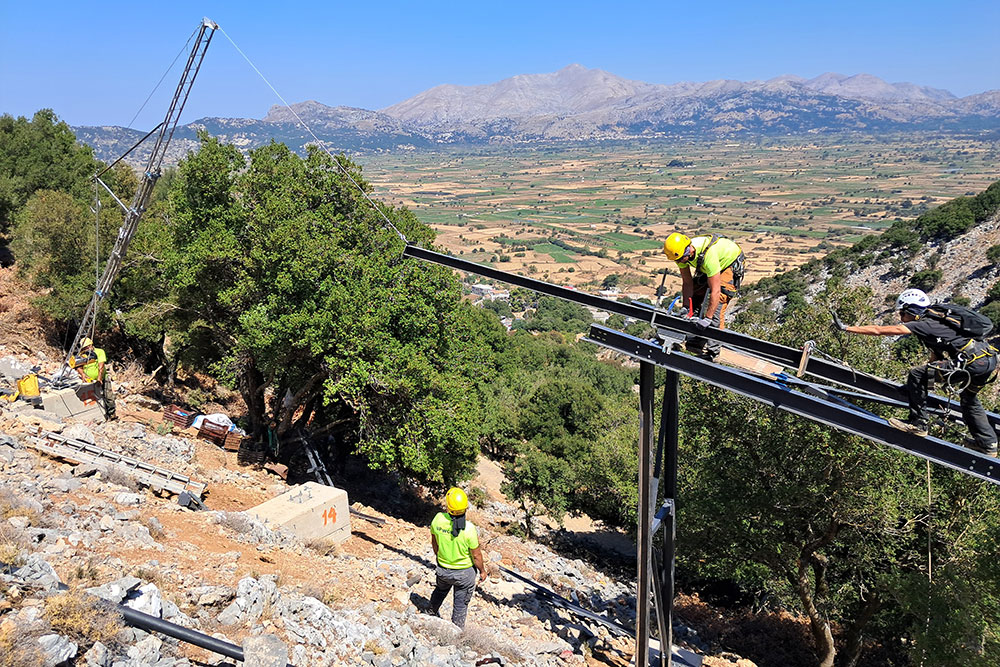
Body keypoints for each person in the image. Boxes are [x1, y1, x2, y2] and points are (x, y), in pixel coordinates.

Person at [837, 288, 998, 456]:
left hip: (971, 361)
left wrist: (847, 328)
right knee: (968, 398)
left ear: (911, 311)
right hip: (987, 360)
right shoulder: (936, 322)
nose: (901, 319)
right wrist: (923, 389)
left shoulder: (923, 324)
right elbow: (934, 362)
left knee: (916, 373)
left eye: (902, 314)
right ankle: (988, 444)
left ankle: (918, 425)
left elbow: (880, 330)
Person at [662, 232, 746, 360]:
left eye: (679, 260)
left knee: (717, 307)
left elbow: (715, 291)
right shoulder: (681, 254)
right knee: (695, 296)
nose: (678, 263)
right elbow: (687, 282)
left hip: (729, 263)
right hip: (710, 264)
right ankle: (696, 340)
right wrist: (686, 307)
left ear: (688, 251)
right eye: (676, 260)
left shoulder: (708, 256)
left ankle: (713, 352)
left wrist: (708, 318)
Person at [428, 487, 486, 628]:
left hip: (443, 569)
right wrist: (483, 571)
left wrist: (440, 558)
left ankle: (428, 616)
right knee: (460, 606)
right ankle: (456, 633)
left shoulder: (438, 520)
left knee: (440, 591)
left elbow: (435, 543)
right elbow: (476, 555)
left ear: (448, 506)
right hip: (464, 574)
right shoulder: (469, 529)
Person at [75, 337, 115, 419]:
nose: (86, 349)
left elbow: (101, 365)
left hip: (102, 377)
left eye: (87, 347)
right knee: (95, 398)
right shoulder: (82, 355)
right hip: (90, 380)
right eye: (84, 348)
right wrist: (82, 374)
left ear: (91, 345)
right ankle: (101, 415)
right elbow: (78, 366)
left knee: (108, 396)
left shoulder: (99, 352)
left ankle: (111, 413)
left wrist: (99, 378)